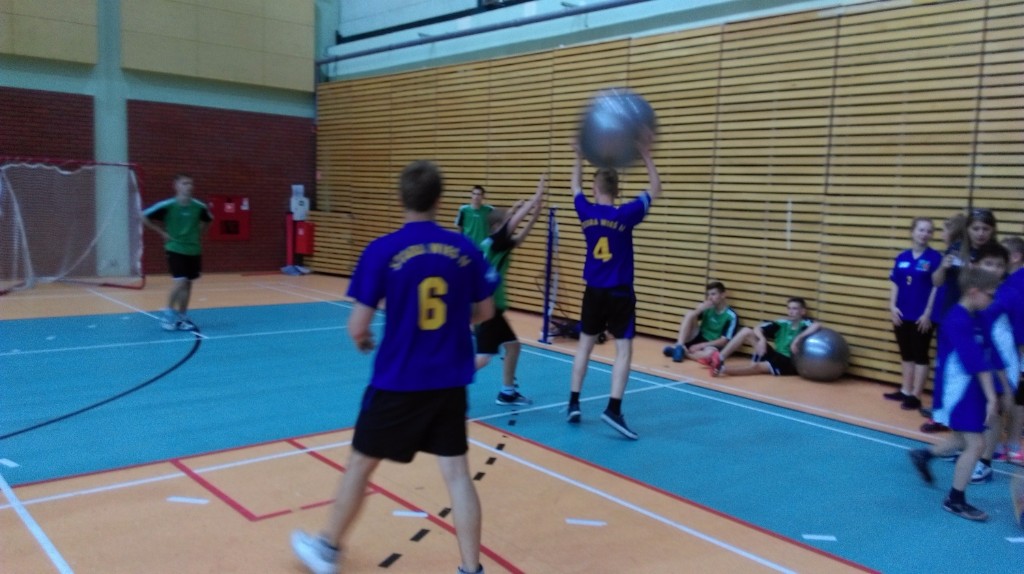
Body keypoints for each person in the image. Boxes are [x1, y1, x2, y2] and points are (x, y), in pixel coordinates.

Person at [290, 161, 497, 574]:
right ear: (439, 200)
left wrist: (364, 340)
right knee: (457, 475)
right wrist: (454, 321)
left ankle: (327, 549)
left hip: (398, 380)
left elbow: (357, 327)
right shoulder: (465, 249)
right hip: (449, 381)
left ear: (402, 198)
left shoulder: (382, 250)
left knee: (361, 464)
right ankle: (471, 569)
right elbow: (485, 312)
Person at [566, 131, 661, 440]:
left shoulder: (586, 212)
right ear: (617, 191)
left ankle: (573, 404)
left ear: (596, 189)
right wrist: (646, 155)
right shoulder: (626, 214)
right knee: (623, 350)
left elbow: (574, 187)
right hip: (620, 292)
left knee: (585, 345)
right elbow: (655, 189)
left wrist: (578, 156)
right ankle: (613, 409)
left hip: (593, 291)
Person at [909, 267, 1003, 521]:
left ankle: (924, 455)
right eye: (990, 294)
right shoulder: (957, 319)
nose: (993, 299)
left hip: (973, 388)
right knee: (977, 444)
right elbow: (974, 361)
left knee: (962, 439)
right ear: (973, 292)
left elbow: (990, 352)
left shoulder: (978, 314)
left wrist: (999, 387)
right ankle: (955, 499)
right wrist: (991, 397)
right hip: (958, 391)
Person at [922, 209, 998, 432]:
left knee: (976, 368)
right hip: (952, 318)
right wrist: (943, 267)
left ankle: (975, 418)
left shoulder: (994, 255)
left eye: (985, 229)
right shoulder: (956, 249)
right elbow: (936, 282)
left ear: (992, 230)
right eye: (976, 228)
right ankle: (940, 415)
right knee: (945, 367)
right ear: (967, 229)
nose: (980, 233)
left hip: (980, 319)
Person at [475, 175, 547, 406]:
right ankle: (442, 384)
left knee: (513, 347)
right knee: (483, 358)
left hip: (492, 308)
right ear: (497, 227)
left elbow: (519, 237)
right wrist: (536, 197)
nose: (510, 226)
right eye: (506, 223)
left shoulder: (498, 245)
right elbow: (513, 223)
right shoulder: (494, 243)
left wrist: (534, 214)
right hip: (488, 308)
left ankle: (507, 392)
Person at [971, 242, 1022, 482]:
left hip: (1003, 363)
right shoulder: (973, 293)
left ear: (1006, 268)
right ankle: (971, 449)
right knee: (975, 408)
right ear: (977, 265)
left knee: (994, 412)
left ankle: (985, 463)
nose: (993, 269)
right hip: (978, 360)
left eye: (999, 265)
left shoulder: (1012, 295)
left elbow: (1020, 337)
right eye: (988, 263)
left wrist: (1019, 370)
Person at [883, 217, 942, 411]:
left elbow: (937, 286)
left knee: (920, 354)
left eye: (929, 231)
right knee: (906, 353)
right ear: (912, 232)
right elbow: (895, 282)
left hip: (921, 316)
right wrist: (892, 306)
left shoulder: (935, 258)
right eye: (921, 230)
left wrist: (928, 313)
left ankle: (916, 395)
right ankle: (905, 390)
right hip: (902, 313)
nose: (925, 234)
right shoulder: (902, 257)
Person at [142, 173, 213, 331]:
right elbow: (144, 216)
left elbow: (208, 220)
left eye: (190, 183)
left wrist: (199, 233)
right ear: (176, 186)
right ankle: (168, 314)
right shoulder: (168, 206)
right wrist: (161, 232)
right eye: (184, 183)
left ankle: (182, 317)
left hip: (193, 249)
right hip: (175, 247)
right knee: (180, 281)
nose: (188, 186)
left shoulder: (199, 207)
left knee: (187, 284)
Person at [709, 297, 821, 378]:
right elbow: (757, 328)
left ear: (803, 311)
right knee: (746, 331)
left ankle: (721, 369)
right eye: (789, 308)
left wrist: (798, 338)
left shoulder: (806, 324)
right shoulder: (782, 323)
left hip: (788, 362)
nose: (791, 312)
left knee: (756, 367)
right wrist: (762, 339)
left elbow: (817, 325)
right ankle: (720, 358)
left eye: (795, 309)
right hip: (776, 355)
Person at [662, 281, 739, 364]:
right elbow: (691, 318)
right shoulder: (708, 308)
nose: (710, 298)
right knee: (690, 313)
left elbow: (723, 341)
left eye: (713, 294)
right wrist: (699, 310)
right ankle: (679, 346)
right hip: (698, 336)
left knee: (709, 355)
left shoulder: (731, 316)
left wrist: (701, 345)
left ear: (723, 295)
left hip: (712, 343)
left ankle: (684, 353)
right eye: (708, 295)